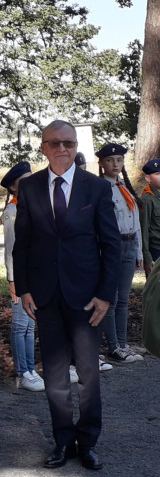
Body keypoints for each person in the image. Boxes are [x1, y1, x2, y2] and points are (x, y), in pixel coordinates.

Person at [13, 120, 121, 471]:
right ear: (43, 147)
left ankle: (87, 442)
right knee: (56, 377)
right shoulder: (28, 188)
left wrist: (106, 296)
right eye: (55, 143)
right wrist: (24, 289)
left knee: (89, 376)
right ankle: (63, 441)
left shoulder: (96, 188)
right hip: (45, 296)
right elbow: (22, 245)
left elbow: (111, 244)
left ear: (76, 147)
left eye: (69, 143)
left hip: (87, 298)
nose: (62, 149)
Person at [95, 142, 147, 364]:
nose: (115, 164)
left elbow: (135, 222)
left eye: (119, 160)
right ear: (102, 163)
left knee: (124, 298)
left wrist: (139, 253)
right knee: (112, 298)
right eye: (110, 160)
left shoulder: (124, 186)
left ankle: (123, 344)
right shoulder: (99, 188)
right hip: (111, 246)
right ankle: (113, 346)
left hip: (129, 244)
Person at [0, 161, 44, 392]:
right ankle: (22, 371)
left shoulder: (36, 206)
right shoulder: (12, 211)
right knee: (20, 324)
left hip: (36, 275)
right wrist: (12, 280)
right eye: (23, 181)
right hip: (20, 276)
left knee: (30, 325)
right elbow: (10, 250)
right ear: (14, 189)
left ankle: (30, 369)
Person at [142, 158, 160, 268]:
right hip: (156, 250)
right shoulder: (147, 199)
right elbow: (144, 229)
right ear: (148, 178)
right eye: (158, 174)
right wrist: (147, 258)